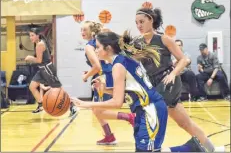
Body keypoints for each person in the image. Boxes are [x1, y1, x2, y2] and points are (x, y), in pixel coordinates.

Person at [71, 31, 207, 152]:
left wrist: (85, 104)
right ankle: (192, 147)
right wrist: (105, 89)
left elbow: (117, 102)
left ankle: (191, 148)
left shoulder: (118, 65)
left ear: (108, 48)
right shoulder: (122, 60)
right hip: (144, 110)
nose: (95, 51)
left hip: (150, 110)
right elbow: (129, 91)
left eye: (98, 47)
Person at [132, 7, 220, 152]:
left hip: (168, 83)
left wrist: (173, 74)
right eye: (136, 23)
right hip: (154, 85)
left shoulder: (163, 39)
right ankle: (211, 149)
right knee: (185, 124)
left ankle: (153, 148)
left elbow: (183, 60)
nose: (139, 25)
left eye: (141, 21)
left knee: (153, 118)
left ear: (151, 20)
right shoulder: (138, 43)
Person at [81, 21, 135, 145]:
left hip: (105, 76)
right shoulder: (104, 37)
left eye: (84, 30)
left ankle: (129, 118)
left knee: (97, 109)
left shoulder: (90, 46)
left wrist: (86, 76)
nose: (82, 33)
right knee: (96, 109)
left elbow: (97, 66)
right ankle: (109, 135)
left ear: (91, 31)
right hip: (109, 74)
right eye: (81, 30)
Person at [25, 27, 78, 116]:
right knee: (32, 86)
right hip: (42, 69)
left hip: (47, 69)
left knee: (59, 90)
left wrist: (30, 58)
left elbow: (38, 60)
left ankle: (72, 106)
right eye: (30, 36)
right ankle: (41, 105)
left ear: (38, 35)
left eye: (32, 35)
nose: (31, 37)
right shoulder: (38, 43)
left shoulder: (40, 44)